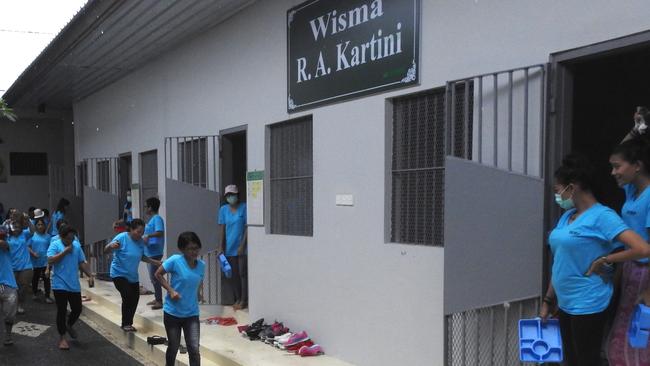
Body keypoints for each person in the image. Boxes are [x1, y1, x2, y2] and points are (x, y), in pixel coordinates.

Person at [541, 154, 650, 366]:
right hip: (565, 303)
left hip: (588, 302)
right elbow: (560, 262)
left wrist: (606, 258)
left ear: (573, 188)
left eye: (558, 191)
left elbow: (643, 248)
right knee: (571, 361)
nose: (557, 197)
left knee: (586, 361)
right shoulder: (567, 216)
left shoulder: (603, 216)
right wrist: (548, 300)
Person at [606, 125, 650, 364]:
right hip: (631, 269)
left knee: (636, 338)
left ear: (637, 165)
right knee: (624, 336)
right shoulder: (633, 191)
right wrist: (637, 130)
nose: (613, 172)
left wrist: (649, 291)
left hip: (645, 275)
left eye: (617, 166)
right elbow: (624, 150)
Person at [155, 232, 205, 366]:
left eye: (196, 248)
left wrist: (199, 293)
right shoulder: (175, 260)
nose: (194, 251)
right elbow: (158, 274)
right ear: (182, 249)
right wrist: (171, 291)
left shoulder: (202, 265)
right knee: (174, 346)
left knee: (194, 349)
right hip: (173, 313)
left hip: (192, 314)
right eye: (190, 248)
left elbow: (199, 280)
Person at [105, 219, 161, 332]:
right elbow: (106, 250)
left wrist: (155, 262)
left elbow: (141, 256)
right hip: (118, 273)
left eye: (142, 232)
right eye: (138, 231)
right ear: (131, 229)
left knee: (135, 298)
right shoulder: (122, 237)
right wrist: (111, 246)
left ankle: (128, 323)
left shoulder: (140, 242)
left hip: (132, 276)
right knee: (127, 295)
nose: (140, 234)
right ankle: (125, 323)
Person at [47, 224, 94, 350]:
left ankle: (68, 324)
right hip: (59, 283)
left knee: (77, 309)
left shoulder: (77, 246)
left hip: (73, 283)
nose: (71, 241)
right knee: (62, 310)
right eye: (68, 239)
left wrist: (89, 275)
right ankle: (62, 338)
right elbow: (50, 260)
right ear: (62, 237)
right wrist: (65, 251)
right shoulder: (55, 244)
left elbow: (81, 263)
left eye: (72, 238)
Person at [218, 184, 248, 310]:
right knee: (233, 275)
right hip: (229, 248)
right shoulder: (223, 210)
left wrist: (242, 245)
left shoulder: (244, 207)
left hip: (242, 248)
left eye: (233, 195)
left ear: (237, 195)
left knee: (242, 273)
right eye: (228, 195)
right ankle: (237, 298)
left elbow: (247, 227)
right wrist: (220, 247)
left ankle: (244, 300)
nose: (231, 197)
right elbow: (222, 229)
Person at [7, 212, 35, 315]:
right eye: (15, 226)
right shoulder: (7, 236)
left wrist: (29, 220)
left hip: (25, 266)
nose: (17, 228)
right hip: (11, 266)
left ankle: (20, 304)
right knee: (13, 288)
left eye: (19, 227)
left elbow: (32, 231)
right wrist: (8, 222)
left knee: (23, 287)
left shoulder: (24, 234)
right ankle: (13, 304)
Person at [143, 197, 165, 310]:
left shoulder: (157, 218)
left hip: (155, 252)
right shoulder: (152, 219)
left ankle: (159, 301)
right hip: (150, 251)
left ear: (151, 207)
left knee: (155, 277)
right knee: (153, 277)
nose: (145, 208)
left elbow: (159, 232)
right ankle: (157, 298)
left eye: (146, 206)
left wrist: (148, 236)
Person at [29, 213, 53, 304]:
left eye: (42, 224)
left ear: (44, 226)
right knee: (35, 278)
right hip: (35, 261)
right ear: (35, 226)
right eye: (38, 224)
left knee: (46, 279)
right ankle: (34, 293)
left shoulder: (48, 237)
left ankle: (47, 296)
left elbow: (51, 249)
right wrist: (33, 253)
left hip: (46, 261)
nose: (40, 226)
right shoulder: (32, 236)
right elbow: (27, 247)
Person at [0, 226, 18, 346]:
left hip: (7, 284)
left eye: (3, 236)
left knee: (10, 315)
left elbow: (4, 244)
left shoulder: (8, 245)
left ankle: (8, 336)